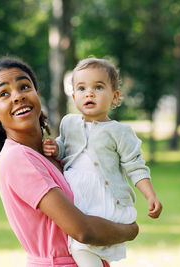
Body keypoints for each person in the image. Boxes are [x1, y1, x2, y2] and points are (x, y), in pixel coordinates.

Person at [0, 56, 139, 267]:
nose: (17, 97)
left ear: (36, 94)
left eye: (24, 86)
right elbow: (82, 230)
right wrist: (129, 230)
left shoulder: (54, 152)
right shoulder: (17, 158)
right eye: (4, 93)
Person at [43, 57, 163, 266]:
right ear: (74, 96)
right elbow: (64, 146)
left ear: (115, 96)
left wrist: (150, 195)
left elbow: (135, 166)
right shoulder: (69, 123)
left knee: (92, 245)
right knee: (82, 247)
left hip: (105, 199)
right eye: (81, 88)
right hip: (79, 199)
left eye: (98, 87)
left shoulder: (120, 132)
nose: (89, 93)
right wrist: (55, 147)